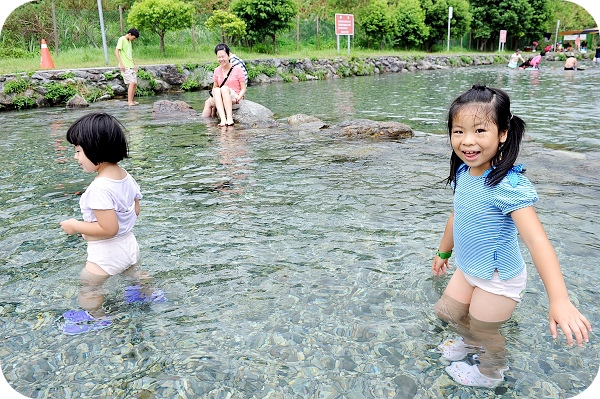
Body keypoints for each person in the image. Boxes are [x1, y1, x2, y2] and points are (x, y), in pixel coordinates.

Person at [432, 85, 591, 388]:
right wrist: (443, 253)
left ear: (503, 133)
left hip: (498, 278)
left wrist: (559, 301)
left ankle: (492, 372)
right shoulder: (465, 174)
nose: (467, 141)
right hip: (468, 267)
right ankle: (468, 344)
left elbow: (537, 242)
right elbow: (458, 215)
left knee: (484, 331)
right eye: (458, 131)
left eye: (480, 130)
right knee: (446, 312)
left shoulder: (508, 186)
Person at [60, 113, 164, 335]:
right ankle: (150, 292)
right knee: (133, 272)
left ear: (95, 148)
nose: (75, 157)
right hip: (128, 246)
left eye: (78, 150)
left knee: (88, 286)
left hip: (106, 254)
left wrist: (75, 226)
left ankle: (96, 317)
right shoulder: (125, 176)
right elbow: (135, 209)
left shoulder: (98, 189)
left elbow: (108, 229)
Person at [201, 43, 247, 126]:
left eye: (223, 56)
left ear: (229, 55)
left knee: (224, 88)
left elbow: (243, 88)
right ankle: (208, 124)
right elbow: (215, 88)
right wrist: (215, 102)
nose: (221, 59)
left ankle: (229, 119)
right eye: (219, 57)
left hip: (234, 99)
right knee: (208, 101)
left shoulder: (237, 69)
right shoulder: (217, 70)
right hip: (222, 98)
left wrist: (237, 99)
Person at [115, 28, 140, 106]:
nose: (133, 39)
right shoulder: (122, 39)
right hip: (125, 66)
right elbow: (116, 51)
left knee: (135, 83)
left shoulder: (129, 42)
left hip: (131, 65)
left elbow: (130, 55)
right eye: (133, 38)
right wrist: (121, 64)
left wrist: (135, 64)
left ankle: (131, 100)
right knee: (132, 83)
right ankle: (129, 101)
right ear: (129, 34)